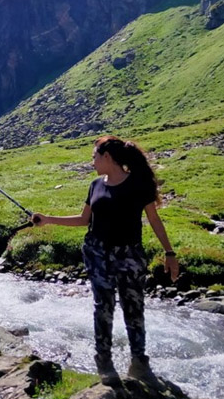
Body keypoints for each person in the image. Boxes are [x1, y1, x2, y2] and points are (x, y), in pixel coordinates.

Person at [33, 136, 179, 385]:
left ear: (107, 157)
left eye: (94, 157)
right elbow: (83, 220)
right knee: (103, 307)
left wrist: (169, 253)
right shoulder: (95, 185)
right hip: (97, 253)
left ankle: (139, 364)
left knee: (134, 309)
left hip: (130, 255)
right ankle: (104, 362)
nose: (92, 162)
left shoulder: (138, 184)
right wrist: (47, 219)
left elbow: (154, 220)